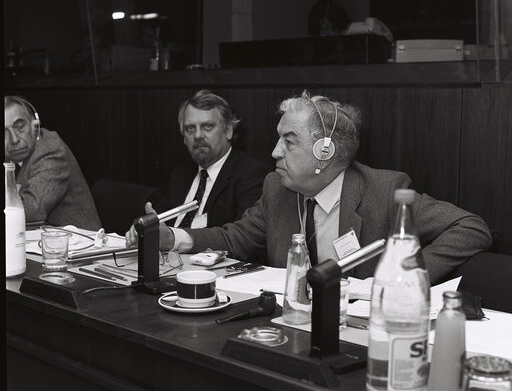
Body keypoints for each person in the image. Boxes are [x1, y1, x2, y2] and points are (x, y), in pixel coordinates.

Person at [126, 90, 492, 284]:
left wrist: (403, 277)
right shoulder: (277, 189)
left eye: (289, 141)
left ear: (325, 150)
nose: (274, 152)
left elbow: (472, 228)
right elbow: (234, 238)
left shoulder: (385, 190)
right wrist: (174, 238)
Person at [153, 89, 270, 228]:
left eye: (207, 126)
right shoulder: (181, 174)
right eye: (190, 128)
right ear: (184, 137)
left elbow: (243, 239)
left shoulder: (251, 175)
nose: (197, 136)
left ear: (228, 130)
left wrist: (178, 239)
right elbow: (160, 223)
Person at [4, 95, 101, 230]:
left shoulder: (50, 150)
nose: (14, 139)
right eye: (4, 132)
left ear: (34, 126)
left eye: (19, 127)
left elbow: (30, 211)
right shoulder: (9, 156)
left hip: (78, 245)